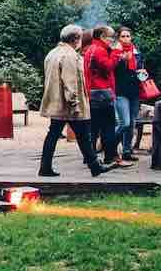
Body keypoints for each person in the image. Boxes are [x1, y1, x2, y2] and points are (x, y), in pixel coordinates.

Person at [39, 25, 109, 177]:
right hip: (69, 105)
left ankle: (45, 167)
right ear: (76, 39)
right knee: (83, 135)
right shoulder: (70, 56)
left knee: (54, 134)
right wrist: (75, 104)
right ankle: (95, 166)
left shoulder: (53, 53)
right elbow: (70, 83)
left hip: (57, 103)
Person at [83, 23, 126, 168]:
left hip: (93, 92)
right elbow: (108, 66)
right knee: (108, 126)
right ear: (101, 36)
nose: (112, 41)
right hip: (102, 92)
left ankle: (90, 157)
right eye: (110, 37)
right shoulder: (100, 50)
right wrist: (116, 53)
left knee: (94, 127)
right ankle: (110, 157)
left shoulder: (90, 49)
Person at [113, 26, 145, 159]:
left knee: (131, 123)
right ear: (118, 38)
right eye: (123, 36)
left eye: (128, 36)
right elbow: (112, 70)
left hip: (134, 90)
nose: (126, 39)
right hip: (120, 90)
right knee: (124, 122)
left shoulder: (137, 53)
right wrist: (122, 60)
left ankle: (127, 151)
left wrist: (143, 73)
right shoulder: (114, 52)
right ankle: (109, 144)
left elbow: (141, 68)